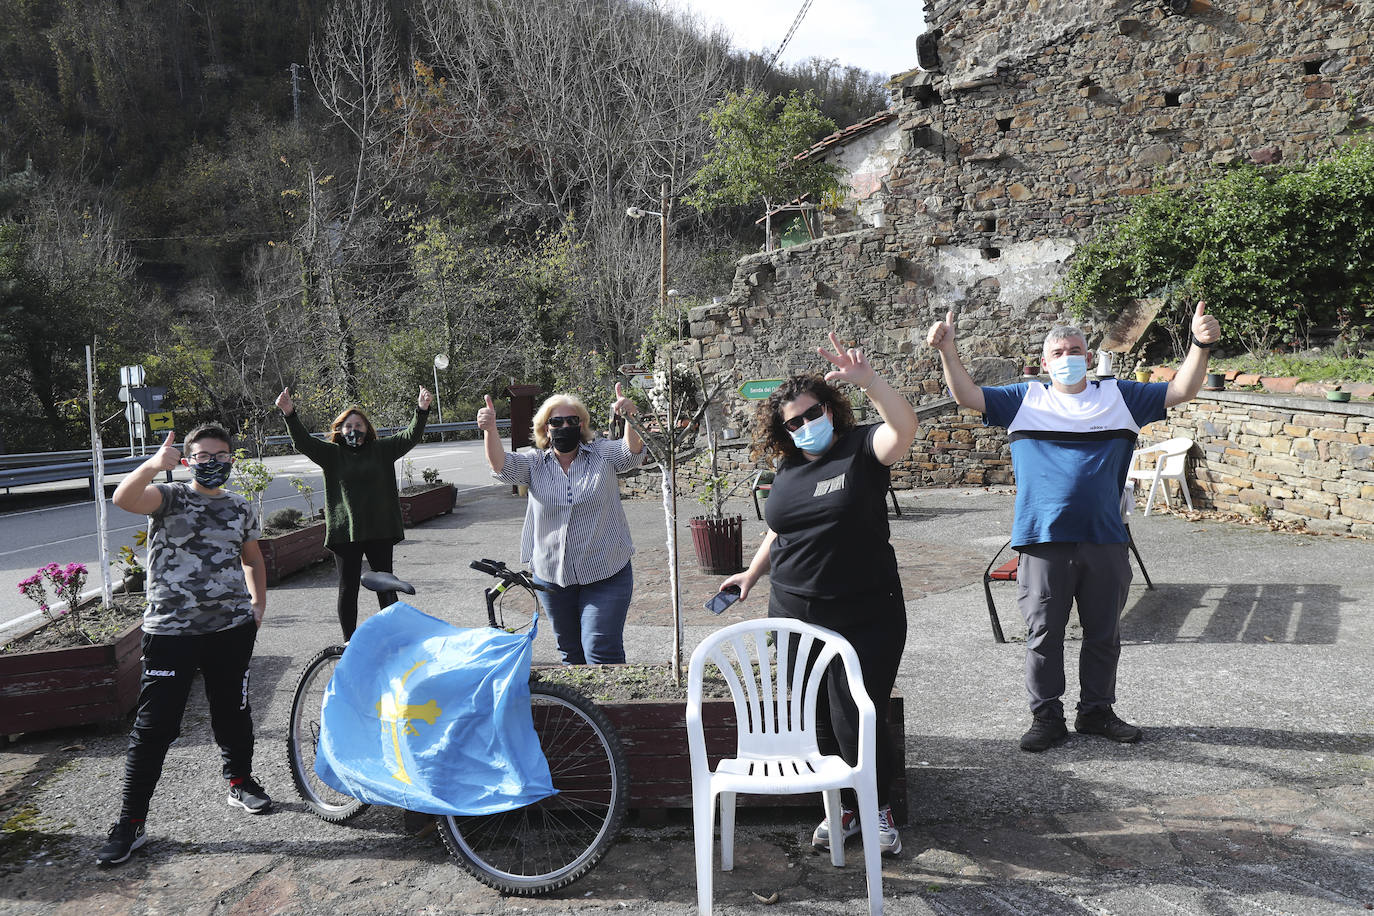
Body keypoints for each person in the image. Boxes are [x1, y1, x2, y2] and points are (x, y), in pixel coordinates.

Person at [927, 302, 1221, 752]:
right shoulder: (1024, 399)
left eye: (1077, 349)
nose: (1069, 357)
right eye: (1059, 352)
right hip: (1042, 539)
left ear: (1089, 356)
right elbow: (969, 396)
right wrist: (948, 351)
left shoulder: (1119, 396)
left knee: (1104, 634)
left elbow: (1181, 390)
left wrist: (1200, 345)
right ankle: (1046, 717)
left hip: (1105, 537)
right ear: (1045, 363)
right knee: (1044, 634)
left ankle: (1096, 712)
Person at [719, 332, 919, 857]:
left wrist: (870, 381)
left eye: (812, 414)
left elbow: (905, 428)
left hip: (865, 610)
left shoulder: (863, 449)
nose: (805, 426)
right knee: (814, 714)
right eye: (793, 422)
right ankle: (842, 808)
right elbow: (780, 530)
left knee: (859, 710)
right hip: (793, 610)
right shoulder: (788, 469)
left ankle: (876, 809)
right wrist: (751, 575)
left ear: (831, 409)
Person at [100, 425, 270, 867]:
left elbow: (251, 558)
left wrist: (257, 605)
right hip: (171, 633)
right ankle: (130, 822)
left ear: (232, 459)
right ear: (189, 461)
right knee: (155, 727)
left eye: (221, 454)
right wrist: (155, 465)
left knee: (232, 710)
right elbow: (123, 498)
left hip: (230, 630)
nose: (212, 462)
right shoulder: (170, 496)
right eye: (203, 455)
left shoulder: (238, 507)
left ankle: (240, 781)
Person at [477, 384, 645, 665]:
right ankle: (577, 709)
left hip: (606, 572)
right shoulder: (534, 464)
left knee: (601, 650)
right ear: (546, 428)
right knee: (570, 653)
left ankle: (611, 709)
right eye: (557, 422)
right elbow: (501, 466)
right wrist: (490, 429)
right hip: (553, 577)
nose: (565, 426)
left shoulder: (602, 454)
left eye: (572, 421)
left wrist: (630, 417)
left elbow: (630, 452)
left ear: (581, 425)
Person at [275, 387, 432, 640]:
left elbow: (409, 436)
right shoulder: (331, 454)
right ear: (340, 430)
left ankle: (393, 639)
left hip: (379, 529)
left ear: (367, 429)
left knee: (386, 586)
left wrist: (422, 410)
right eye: (348, 426)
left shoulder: (382, 450)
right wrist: (289, 413)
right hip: (345, 531)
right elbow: (303, 442)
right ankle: (349, 642)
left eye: (358, 425)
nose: (353, 430)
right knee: (348, 589)